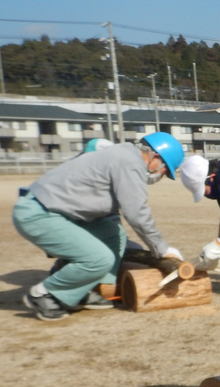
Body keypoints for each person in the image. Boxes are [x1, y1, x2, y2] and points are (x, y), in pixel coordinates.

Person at [12, 132, 185, 321]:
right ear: (156, 157)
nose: (160, 176)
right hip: (40, 213)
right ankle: (44, 294)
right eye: (164, 171)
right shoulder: (131, 163)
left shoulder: (124, 155)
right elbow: (136, 213)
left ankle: (87, 288)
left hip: (57, 212)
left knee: (113, 233)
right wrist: (161, 249)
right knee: (98, 258)